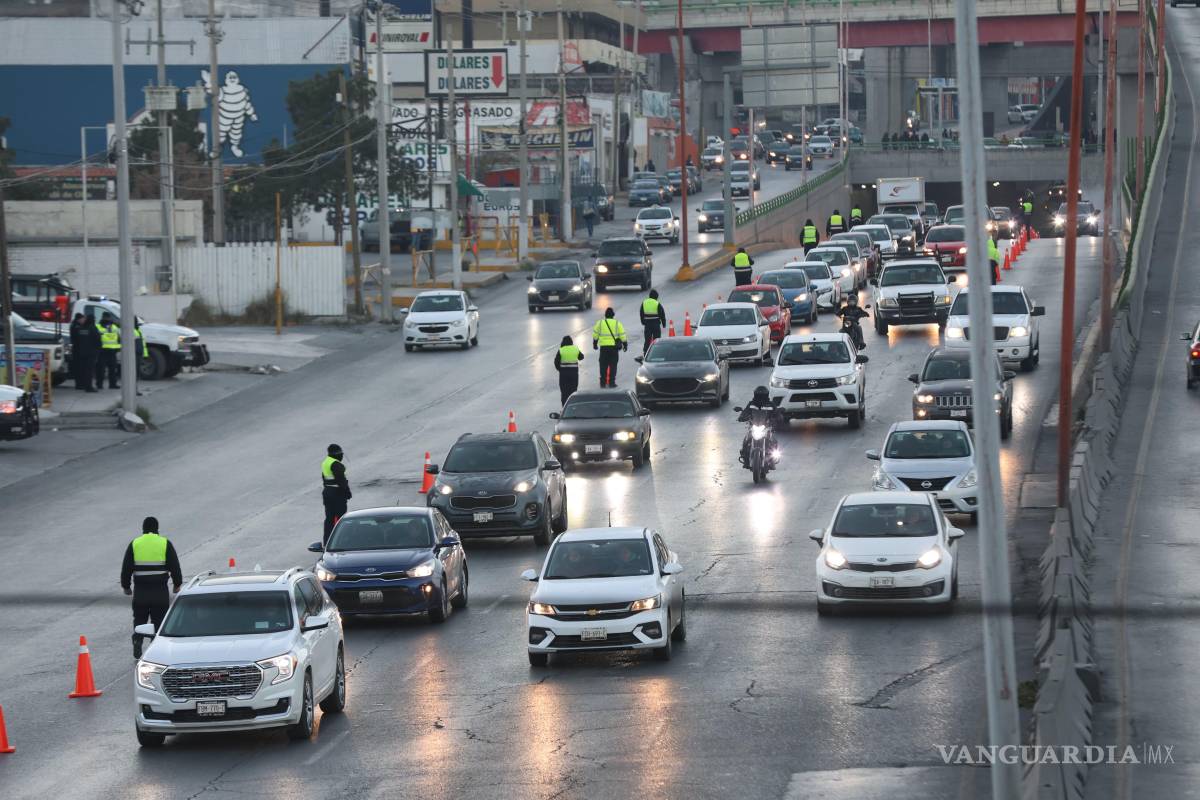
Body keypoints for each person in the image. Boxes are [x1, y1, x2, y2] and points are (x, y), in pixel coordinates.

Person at [120, 516, 182, 658]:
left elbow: (126, 567)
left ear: (143, 529)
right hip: (159, 589)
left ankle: (137, 639)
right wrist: (177, 584)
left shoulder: (135, 544)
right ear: (157, 529)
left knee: (140, 618)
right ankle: (156, 647)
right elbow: (175, 566)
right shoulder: (165, 543)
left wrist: (126, 586)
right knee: (159, 620)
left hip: (141, 589)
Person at [737, 385, 784, 466]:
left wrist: (778, 417)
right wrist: (742, 417)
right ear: (755, 395)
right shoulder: (751, 404)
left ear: (766, 395)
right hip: (754, 426)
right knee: (746, 440)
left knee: (773, 441)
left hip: (766, 427)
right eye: (759, 395)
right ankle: (745, 457)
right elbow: (745, 411)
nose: (760, 397)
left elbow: (777, 413)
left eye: (762, 395)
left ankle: (773, 459)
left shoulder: (771, 404)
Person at [321, 443, 352, 543]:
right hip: (337, 493)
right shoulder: (336, 464)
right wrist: (347, 492)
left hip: (327, 492)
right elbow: (341, 480)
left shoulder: (326, 462)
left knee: (329, 519)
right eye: (341, 454)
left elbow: (324, 478)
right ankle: (340, 541)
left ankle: (327, 542)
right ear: (338, 454)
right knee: (341, 519)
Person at [592, 307, 628, 388]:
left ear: (605, 315)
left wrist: (595, 344)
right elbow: (622, 335)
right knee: (613, 365)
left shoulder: (600, 323)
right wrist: (625, 345)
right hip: (614, 349)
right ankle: (612, 382)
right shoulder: (617, 323)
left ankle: (603, 383)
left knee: (603, 365)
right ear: (613, 315)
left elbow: (595, 335)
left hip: (604, 348)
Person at [554, 335, 584, 405]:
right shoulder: (575, 349)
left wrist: (560, 369)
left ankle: (564, 406)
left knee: (564, 391)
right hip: (574, 374)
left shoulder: (561, 350)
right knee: (573, 390)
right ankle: (573, 405)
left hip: (563, 374)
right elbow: (581, 357)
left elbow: (556, 362)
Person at [95, 312, 121, 389]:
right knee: (103, 369)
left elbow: (118, 338)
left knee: (109, 369)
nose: (107, 319)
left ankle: (106, 384)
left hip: (107, 351)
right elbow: (119, 338)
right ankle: (106, 384)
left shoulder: (112, 327)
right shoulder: (113, 327)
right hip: (104, 351)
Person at [75, 313, 99, 393]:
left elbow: (77, 340)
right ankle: (89, 387)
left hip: (81, 352)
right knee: (89, 370)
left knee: (83, 370)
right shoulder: (93, 328)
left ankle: (84, 385)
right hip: (91, 353)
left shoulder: (81, 328)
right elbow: (97, 340)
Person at [639, 289, 667, 354]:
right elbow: (662, 314)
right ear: (656, 297)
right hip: (656, 324)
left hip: (647, 324)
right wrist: (664, 323)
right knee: (657, 340)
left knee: (647, 340)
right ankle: (657, 352)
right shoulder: (657, 303)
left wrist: (643, 322)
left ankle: (645, 352)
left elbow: (641, 313)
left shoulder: (644, 302)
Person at [68, 313, 87, 390]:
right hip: (77, 349)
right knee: (79, 368)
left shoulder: (76, 325)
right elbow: (79, 337)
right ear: (79, 319)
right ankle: (79, 384)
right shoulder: (76, 326)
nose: (84, 320)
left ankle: (80, 384)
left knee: (80, 367)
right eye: (83, 319)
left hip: (78, 349)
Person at [134, 320, 149, 396]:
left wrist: (145, 354)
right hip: (134, 355)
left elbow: (142, 344)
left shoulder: (137, 330)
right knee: (133, 374)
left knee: (136, 373)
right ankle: (134, 390)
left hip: (139, 354)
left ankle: (135, 390)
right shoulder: (130, 330)